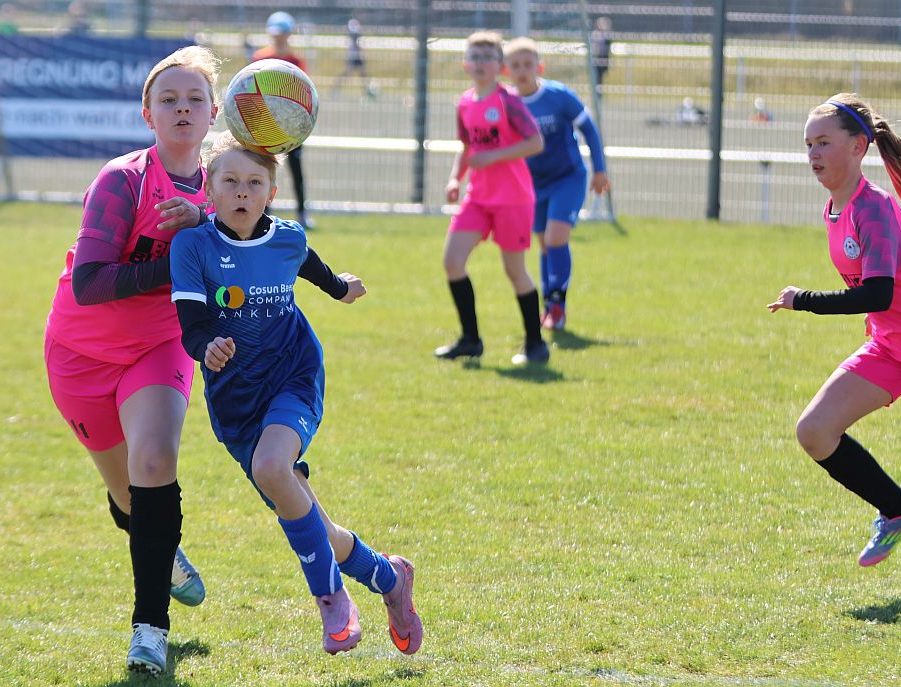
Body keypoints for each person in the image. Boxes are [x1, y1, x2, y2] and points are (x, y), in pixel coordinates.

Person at [170, 131, 423, 656]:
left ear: (271, 193)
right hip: (236, 400)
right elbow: (191, 323)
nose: (242, 192)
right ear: (209, 190)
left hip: (293, 374)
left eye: (254, 183)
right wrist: (206, 346)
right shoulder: (192, 246)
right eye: (230, 181)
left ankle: (331, 600)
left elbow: (309, 265)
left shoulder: (287, 238)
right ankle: (389, 578)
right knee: (314, 525)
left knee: (271, 469)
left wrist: (340, 288)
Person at [43, 45, 221, 676]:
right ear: (148, 113)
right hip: (80, 351)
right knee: (127, 494)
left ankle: (149, 627)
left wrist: (207, 224)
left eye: (194, 99)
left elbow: (257, 246)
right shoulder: (122, 179)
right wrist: (173, 260)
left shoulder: (223, 186)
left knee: (155, 462)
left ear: (213, 112)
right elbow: (91, 283)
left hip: (159, 343)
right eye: (167, 99)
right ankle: (160, 546)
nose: (181, 108)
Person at [767, 93, 901, 567]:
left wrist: (804, 299)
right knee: (816, 431)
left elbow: (878, 293)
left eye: (823, 142)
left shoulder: (874, 209)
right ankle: (900, 511)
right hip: (894, 348)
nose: (813, 155)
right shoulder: (834, 211)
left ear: (858, 147)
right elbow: (883, 299)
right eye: (808, 145)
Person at [436, 31, 547, 364]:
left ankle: (535, 344)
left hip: (513, 198)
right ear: (466, 64)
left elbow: (535, 143)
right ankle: (471, 340)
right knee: (452, 262)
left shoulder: (508, 101)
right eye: (475, 56)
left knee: (515, 271)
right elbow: (468, 147)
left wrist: (494, 157)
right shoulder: (465, 102)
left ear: (501, 66)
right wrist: (456, 177)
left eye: (488, 57)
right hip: (478, 198)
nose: (481, 62)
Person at [504, 37, 610, 331]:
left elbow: (589, 129)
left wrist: (600, 170)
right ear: (506, 70)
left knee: (555, 238)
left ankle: (558, 307)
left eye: (528, 64)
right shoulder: (506, 104)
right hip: (532, 185)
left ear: (539, 66)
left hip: (568, 178)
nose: (522, 70)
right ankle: (548, 308)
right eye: (516, 65)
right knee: (544, 245)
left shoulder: (558, 95)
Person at [253, 11, 313, 228]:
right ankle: (263, 212)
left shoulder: (296, 61)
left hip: (290, 126)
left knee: (296, 168)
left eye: (283, 33)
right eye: (276, 33)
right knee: (263, 170)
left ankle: (302, 213)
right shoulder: (260, 58)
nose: (279, 38)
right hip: (265, 124)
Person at [333, 17, 375, 97]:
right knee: (348, 74)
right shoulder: (352, 37)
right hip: (352, 57)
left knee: (363, 75)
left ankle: (367, 92)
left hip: (358, 57)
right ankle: (336, 89)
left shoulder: (357, 36)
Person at [590, 16, 612, 86]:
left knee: (600, 79)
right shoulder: (596, 34)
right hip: (597, 59)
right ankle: (597, 94)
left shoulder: (607, 35)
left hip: (604, 59)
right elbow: (594, 47)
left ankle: (598, 94)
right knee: (596, 78)